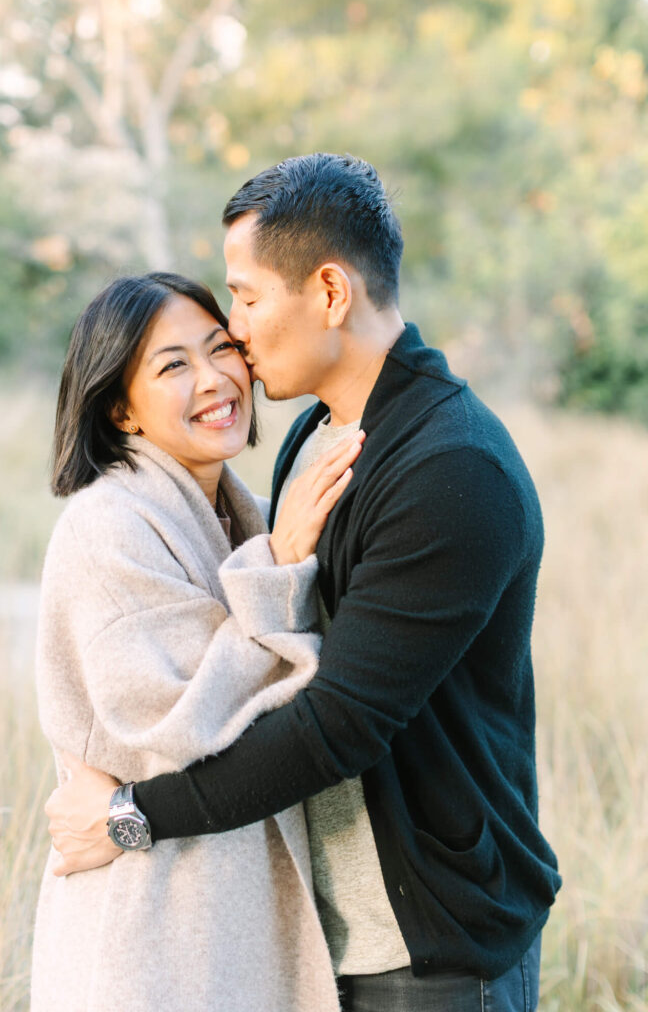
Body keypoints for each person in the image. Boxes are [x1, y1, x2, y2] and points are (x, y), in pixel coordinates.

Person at [46, 154, 562, 1012]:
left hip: (427, 952)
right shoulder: (314, 438)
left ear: (329, 292)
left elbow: (339, 727)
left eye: (244, 301)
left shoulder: (453, 469)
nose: (236, 333)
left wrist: (131, 816)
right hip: (329, 947)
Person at [31, 270, 363, 1011]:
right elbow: (189, 721)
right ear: (119, 407)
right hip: (152, 935)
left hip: (218, 919)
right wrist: (279, 564)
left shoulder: (233, 515)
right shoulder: (108, 525)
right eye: (173, 364)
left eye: (222, 349)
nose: (215, 379)